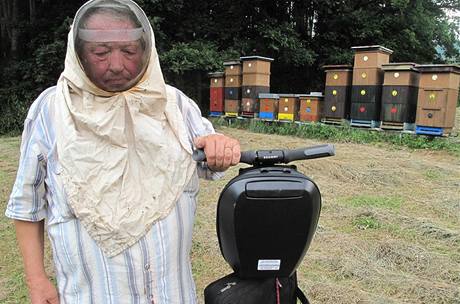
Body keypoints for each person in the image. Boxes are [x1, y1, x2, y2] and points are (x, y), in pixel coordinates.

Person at [5, 0, 240, 303]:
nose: (116, 64)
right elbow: (27, 204)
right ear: (79, 54)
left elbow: (211, 159)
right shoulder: (51, 111)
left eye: (128, 52)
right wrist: (36, 280)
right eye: (100, 53)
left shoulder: (174, 104)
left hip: (171, 295)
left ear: (146, 50)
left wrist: (221, 145)